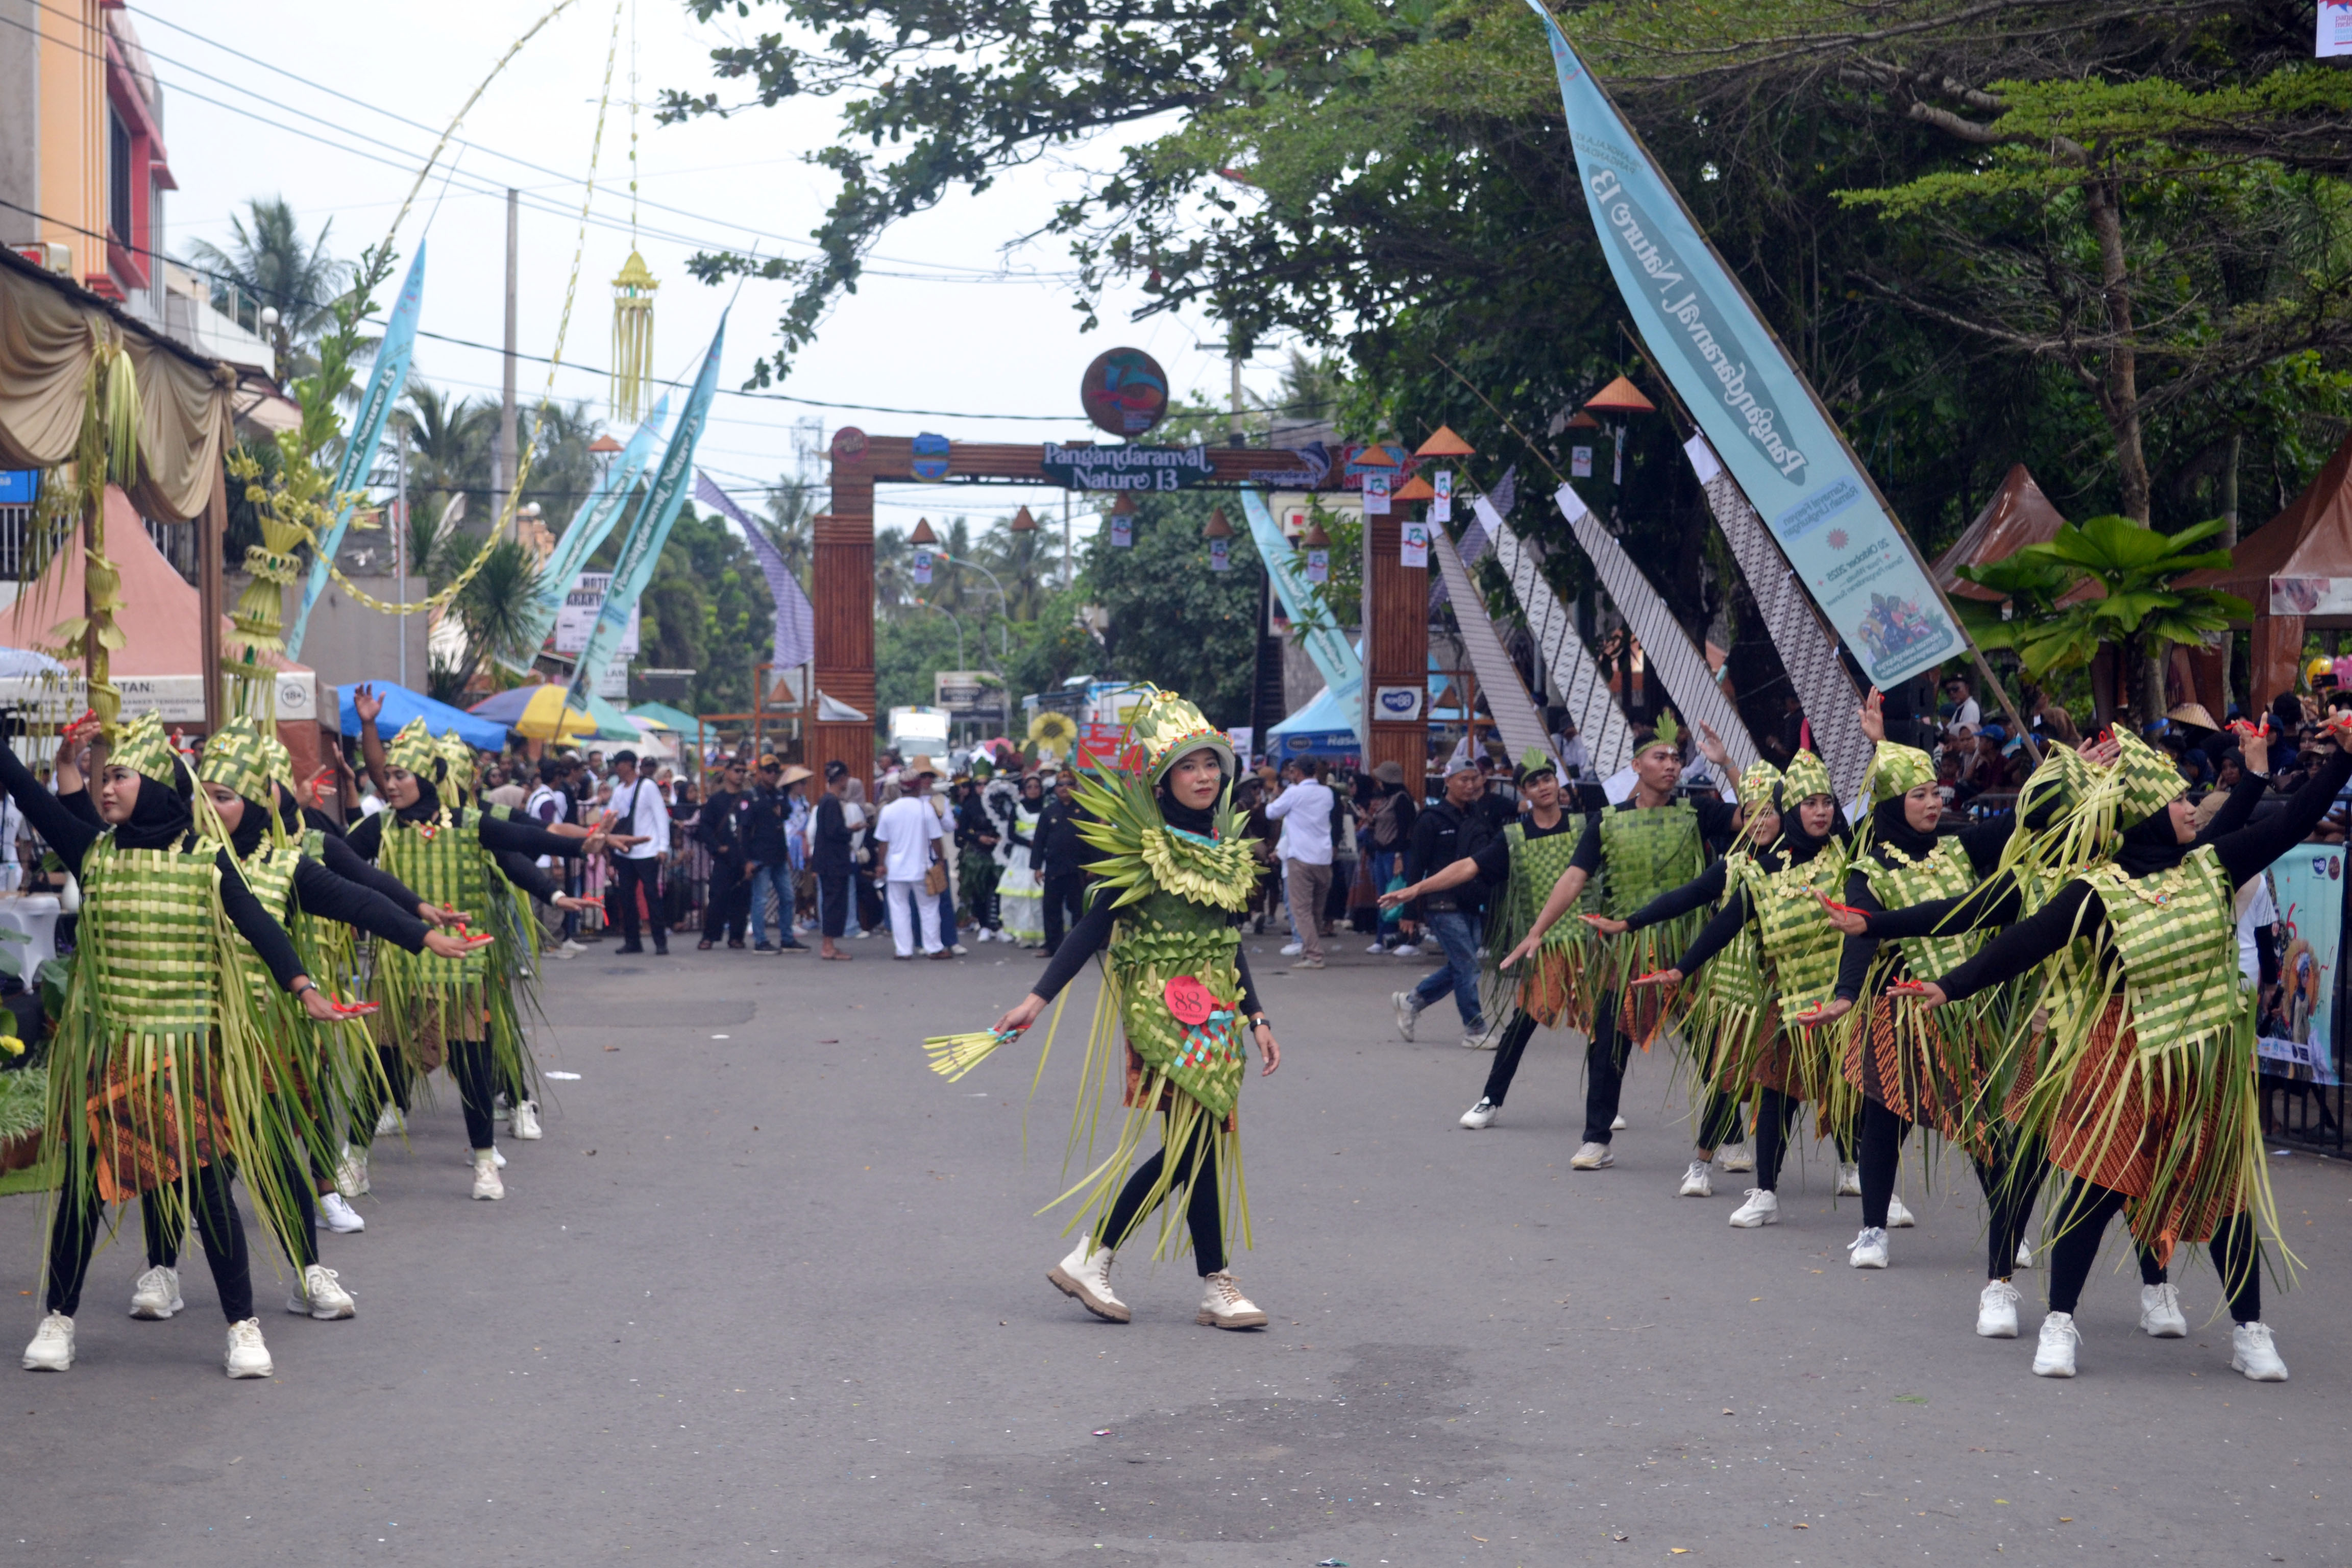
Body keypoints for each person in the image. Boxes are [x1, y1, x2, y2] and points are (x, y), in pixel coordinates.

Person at [1909, 722, 2349, 1381]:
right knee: (2096, 1190)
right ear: (2145, 813)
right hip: (2124, 1062)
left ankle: (2251, 1331)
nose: (2190, 808)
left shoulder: (2213, 865)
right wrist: (1949, 986)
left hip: (2203, 1067)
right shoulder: (2098, 891)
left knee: (2227, 1199)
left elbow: (2292, 823)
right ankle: (2059, 1323)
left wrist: (2343, 760)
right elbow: (2026, 940)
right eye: (2178, 800)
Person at [10, 712, 354, 1379]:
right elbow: (28, 792)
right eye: (104, 777)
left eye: (120, 776)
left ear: (157, 785)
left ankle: (242, 1327)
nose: (107, 788)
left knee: (208, 1193)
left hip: (185, 1058)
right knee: (82, 1193)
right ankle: (58, 1319)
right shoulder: (93, 851)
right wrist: (31, 756)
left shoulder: (204, 861)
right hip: (112, 1059)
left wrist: (302, 985)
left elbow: (258, 923)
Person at [943, 689, 1280, 1329]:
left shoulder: (1227, 848)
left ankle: (1210, 1285)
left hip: (1216, 1013)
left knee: (1199, 1144)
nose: (1203, 776)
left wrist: (1255, 1017)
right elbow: (1092, 927)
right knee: (1194, 1142)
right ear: (1162, 779)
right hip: (1162, 1010)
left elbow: (1227, 944)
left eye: (1210, 763)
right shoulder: (1144, 848)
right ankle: (1096, 1256)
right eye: (1187, 766)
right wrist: (1035, 1000)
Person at [1500, 713, 1741, 1167]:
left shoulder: (1699, 812)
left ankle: (1728, 1136)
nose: (1671, 765)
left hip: (1688, 948)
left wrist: (1726, 763)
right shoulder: (1606, 822)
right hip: (1625, 949)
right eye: (1660, 757)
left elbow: (1761, 816)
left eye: (1676, 758)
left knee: (1710, 1043)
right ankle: (1596, 1138)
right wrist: (1537, 931)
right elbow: (1574, 878)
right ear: (1636, 766)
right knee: (1609, 1042)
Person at [1382, 750, 1584, 1118]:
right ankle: (1489, 1093)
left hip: (1589, 944)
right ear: (1523, 791)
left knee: (1606, 1028)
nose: (1543, 787)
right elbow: (1468, 866)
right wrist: (1415, 892)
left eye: (1548, 779)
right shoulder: (1510, 837)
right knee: (1517, 1021)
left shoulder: (1586, 826)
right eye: (1534, 783)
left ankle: (1604, 1111)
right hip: (1534, 943)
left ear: (1558, 783)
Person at [1394, 760, 1497, 1046]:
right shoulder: (1431, 819)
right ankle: (1475, 1030)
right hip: (1441, 904)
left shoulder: (1477, 815)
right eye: (1464, 780)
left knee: (1463, 965)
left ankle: (1411, 1002)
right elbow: (1417, 866)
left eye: (1474, 779)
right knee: (1467, 965)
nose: (1470, 785)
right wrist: (1409, 911)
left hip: (1471, 900)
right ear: (1448, 781)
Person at [874, 757, 949, 959]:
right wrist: (940, 860)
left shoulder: (888, 810)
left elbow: (883, 843)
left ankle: (904, 950)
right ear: (917, 787)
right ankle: (933, 948)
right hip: (921, 868)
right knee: (929, 908)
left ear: (901, 788)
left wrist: (881, 865)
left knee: (899, 909)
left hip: (895, 869)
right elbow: (936, 840)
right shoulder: (926, 809)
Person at [601, 749, 672, 956]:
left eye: (619, 764)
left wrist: (663, 847)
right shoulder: (619, 790)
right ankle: (632, 941)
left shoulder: (648, 786)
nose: (617, 769)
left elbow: (661, 816)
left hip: (648, 850)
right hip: (626, 851)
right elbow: (611, 815)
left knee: (652, 896)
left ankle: (660, 941)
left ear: (628, 765)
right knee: (626, 897)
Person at [1265, 760, 1335, 967]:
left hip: (1301, 858)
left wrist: (1276, 796)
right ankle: (1309, 950)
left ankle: (1314, 955)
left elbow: (1271, 813)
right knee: (1316, 910)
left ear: (1298, 773)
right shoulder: (1327, 793)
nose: (1290, 775)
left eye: (1292, 772)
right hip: (1323, 858)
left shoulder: (1294, 793)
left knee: (1301, 910)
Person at [698, 759, 753, 950]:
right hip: (725, 856)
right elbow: (705, 826)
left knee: (742, 898)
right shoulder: (716, 800)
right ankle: (710, 936)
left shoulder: (749, 798)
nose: (741, 775)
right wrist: (717, 847)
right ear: (727, 772)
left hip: (743, 856)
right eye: (737, 770)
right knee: (718, 897)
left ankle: (736, 936)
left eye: (744, 771)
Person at [1036, 771, 1090, 957]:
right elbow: (1039, 841)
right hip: (1054, 868)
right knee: (1051, 909)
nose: (1065, 788)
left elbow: (1094, 840)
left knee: (1079, 910)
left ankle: (1078, 948)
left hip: (1078, 869)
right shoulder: (1048, 812)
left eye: (1069, 784)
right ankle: (1052, 946)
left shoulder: (1085, 811)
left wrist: (1093, 866)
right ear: (1055, 789)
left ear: (1075, 787)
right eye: (1061, 784)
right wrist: (1037, 867)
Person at [812, 761, 857, 960]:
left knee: (832, 902)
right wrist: (851, 830)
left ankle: (829, 944)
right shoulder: (831, 802)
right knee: (834, 903)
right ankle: (828, 946)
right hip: (833, 862)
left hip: (828, 861)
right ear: (842, 778)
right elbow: (834, 832)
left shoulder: (825, 801)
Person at [996, 772, 1047, 947]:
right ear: (1024, 790)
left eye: (1037, 787)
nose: (1033, 790)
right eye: (1029, 787)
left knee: (1039, 895)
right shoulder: (1018, 809)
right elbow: (1011, 834)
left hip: (1041, 856)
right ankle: (1023, 933)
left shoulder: (1047, 808)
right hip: (1021, 856)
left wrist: (1039, 845)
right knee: (1021, 895)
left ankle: (1042, 934)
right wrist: (1028, 843)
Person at [1942, 673, 1981, 741]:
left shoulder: (1971, 707)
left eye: (1955, 689)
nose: (1952, 693)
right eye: (1948, 691)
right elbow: (1948, 731)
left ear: (1966, 688)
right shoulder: (1960, 709)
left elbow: (1967, 736)